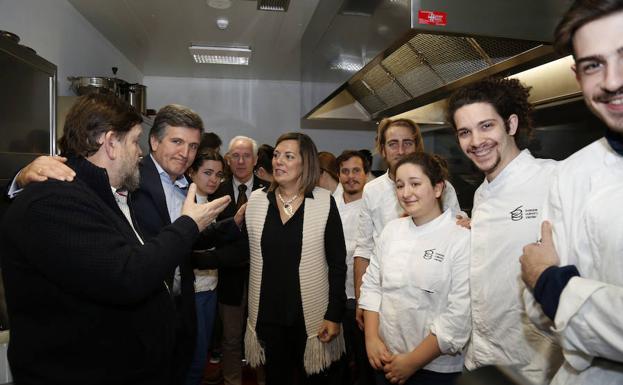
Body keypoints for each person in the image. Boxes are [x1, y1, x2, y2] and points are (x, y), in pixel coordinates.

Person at [0, 94, 231, 385]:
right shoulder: (57, 199)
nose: (139, 153)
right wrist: (189, 224)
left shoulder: (105, 193)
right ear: (110, 142)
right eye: (135, 141)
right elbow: (127, 274)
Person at [519, 1, 623, 384]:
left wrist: (552, 282)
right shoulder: (571, 174)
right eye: (594, 64)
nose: (612, 81)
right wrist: (551, 287)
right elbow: (537, 309)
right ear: (577, 76)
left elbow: (542, 285)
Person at [446, 77, 562, 383]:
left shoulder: (554, 179)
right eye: (465, 132)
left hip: (535, 365)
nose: (476, 141)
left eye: (487, 126)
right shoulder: (482, 193)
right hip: (481, 359)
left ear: (511, 125)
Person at [244, 132, 347, 385]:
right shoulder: (257, 201)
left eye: (288, 156)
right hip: (268, 314)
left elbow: (337, 263)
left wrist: (334, 314)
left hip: (309, 315)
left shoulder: (324, 202)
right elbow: (244, 252)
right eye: (277, 155)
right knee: (275, 378)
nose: (278, 161)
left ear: (306, 163)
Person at [359, 152, 471, 385]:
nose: (406, 193)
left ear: (438, 188)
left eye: (415, 184)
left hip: (436, 368)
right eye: (400, 185)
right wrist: (371, 338)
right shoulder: (391, 231)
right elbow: (372, 286)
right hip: (386, 358)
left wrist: (412, 362)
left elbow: (459, 316)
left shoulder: (460, 238)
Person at [353, 118, 462, 331]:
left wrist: (467, 224)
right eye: (393, 143)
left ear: (417, 146)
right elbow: (364, 249)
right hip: (385, 295)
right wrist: (362, 300)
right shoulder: (372, 190)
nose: (401, 150)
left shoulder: (443, 187)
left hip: (429, 294)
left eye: (408, 143)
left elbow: (456, 228)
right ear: (383, 150)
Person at [208, 135, 269, 385]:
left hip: (263, 278)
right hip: (229, 277)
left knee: (262, 337)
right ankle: (232, 380)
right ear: (228, 160)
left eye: (246, 156)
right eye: (236, 156)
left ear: (255, 160)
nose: (241, 161)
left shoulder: (270, 191)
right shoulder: (215, 192)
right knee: (231, 338)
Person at [182, 149, 226, 385]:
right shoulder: (185, 203)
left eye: (218, 175)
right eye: (207, 173)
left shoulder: (211, 203)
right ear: (191, 172)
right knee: (195, 358)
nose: (213, 179)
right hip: (194, 290)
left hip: (210, 287)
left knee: (203, 354)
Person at [334, 150, 375, 385]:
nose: (351, 177)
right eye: (345, 171)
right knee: (337, 363)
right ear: (338, 175)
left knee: (363, 361)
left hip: (362, 296)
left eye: (356, 171)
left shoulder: (373, 206)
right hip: (335, 295)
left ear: (366, 174)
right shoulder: (331, 204)